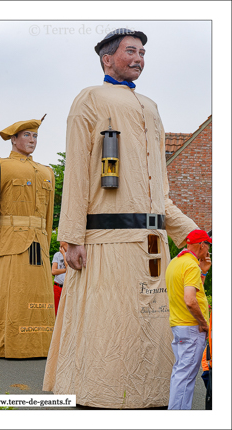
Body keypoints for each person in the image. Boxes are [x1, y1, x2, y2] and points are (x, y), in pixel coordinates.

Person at [43, 28, 199, 409]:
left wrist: (192, 234)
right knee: (110, 327)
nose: (139, 58)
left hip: (152, 245)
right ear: (107, 59)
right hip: (106, 242)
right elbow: (78, 171)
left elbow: (160, 191)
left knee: (151, 323)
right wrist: (71, 237)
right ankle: (98, 398)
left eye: (143, 52)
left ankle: (153, 398)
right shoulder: (90, 99)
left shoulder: (151, 106)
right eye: (131, 51)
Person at [0, 117, 55, 358]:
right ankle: (1, 345)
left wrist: (46, 243)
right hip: (10, 241)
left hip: (37, 242)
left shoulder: (47, 171)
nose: (32, 140)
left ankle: (40, 345)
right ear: (14, 139)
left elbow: (48, 215)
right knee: (9, 291)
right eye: (27, 135)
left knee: (37, 294)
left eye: (36, 136)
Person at [165, 229, 212, 410]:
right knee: (185, 377)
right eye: (208, 245)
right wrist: (203, 323)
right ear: (202, 245)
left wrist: (203, 273)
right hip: (192, 328)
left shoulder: (176, 262)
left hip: (179, 325)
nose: (208, 250)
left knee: (181, 373)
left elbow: (185, 290)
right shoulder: (191, 265)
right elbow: (190, 300)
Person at [51, 241, 68, 316]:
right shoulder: (57, 255)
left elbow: (69, 267)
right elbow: (53, 271)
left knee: (67, 311)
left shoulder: (71, 254)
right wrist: (66, 270)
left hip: (68, 287)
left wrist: (64, 254)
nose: (60, 241)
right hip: (58, 287)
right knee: (57, 312)